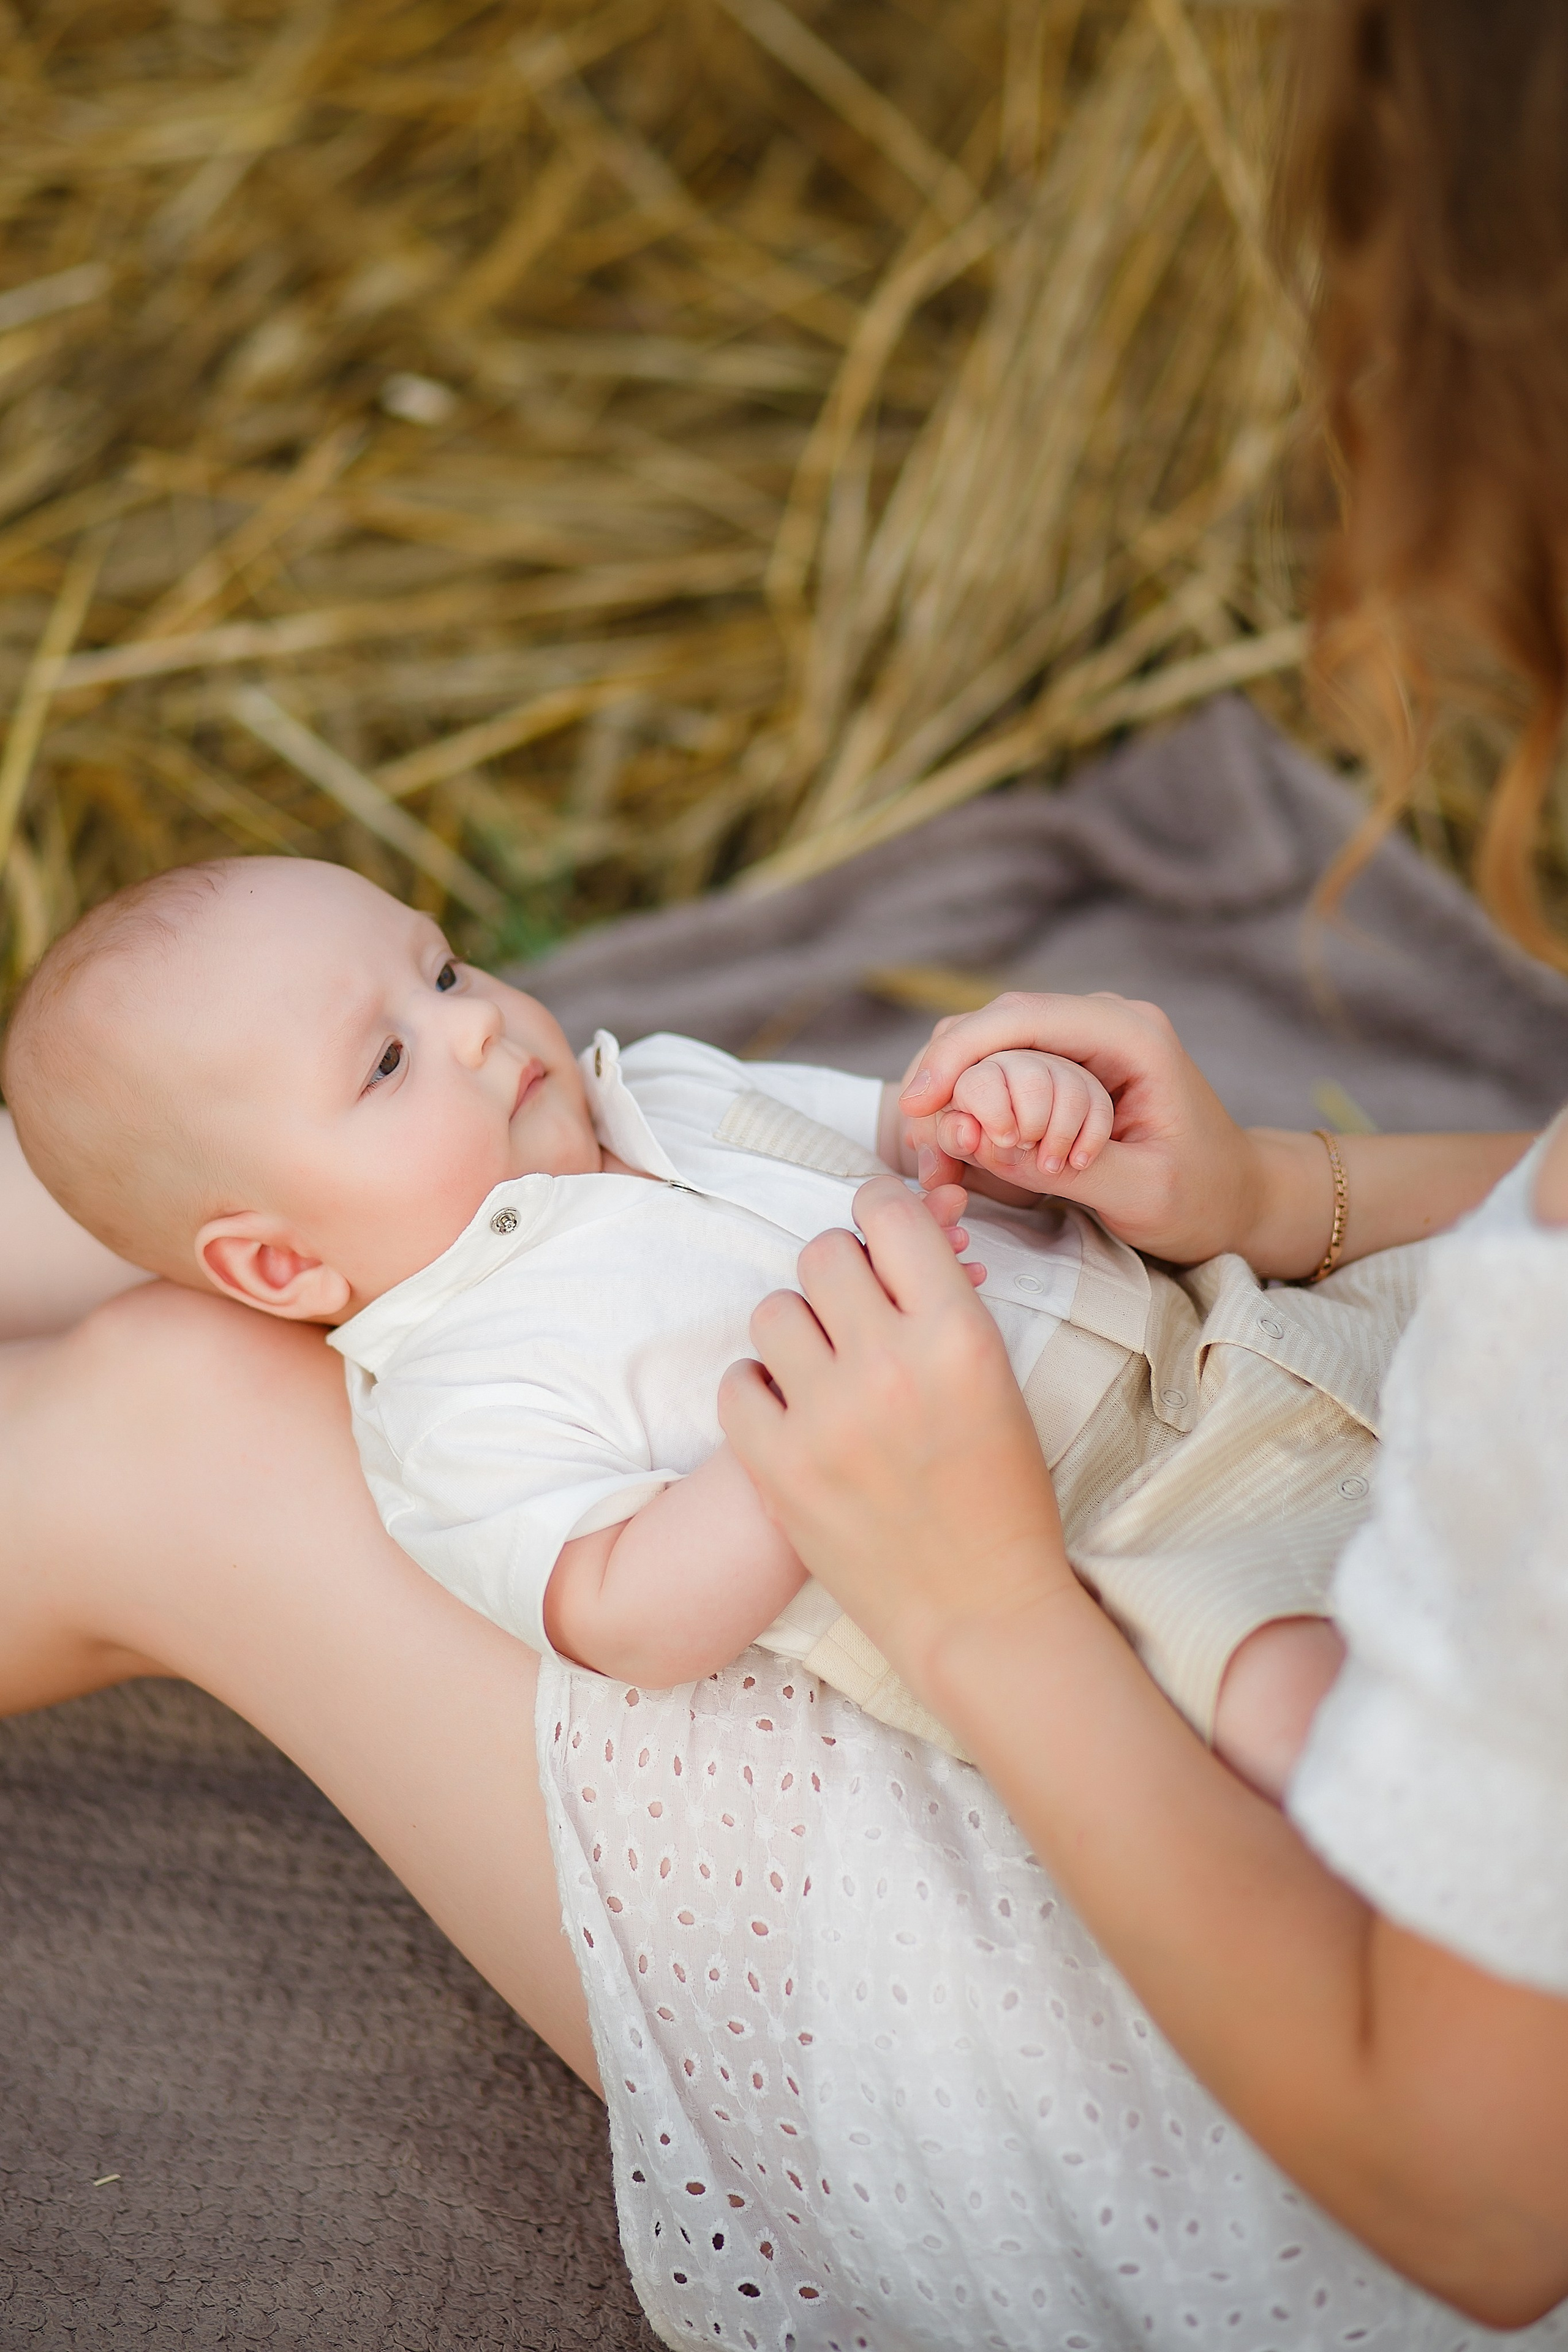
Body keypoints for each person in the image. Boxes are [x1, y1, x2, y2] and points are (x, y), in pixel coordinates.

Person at [2, 1, 1567, 2343]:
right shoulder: (482, 1377)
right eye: (409, 1037)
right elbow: (631, 1549)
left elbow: (1487, 2199)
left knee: (165, 1400)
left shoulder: (600, 1139)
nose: (497, 1021)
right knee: (173, 1215)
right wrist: (1279, 1202)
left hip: (1244, 1886)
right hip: (1151, 1473)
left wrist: (971, 1591)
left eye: (454, 973)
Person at [2, 853, 1360, 1781]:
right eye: (387, 1061)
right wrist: (794, 1453)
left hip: (1223, 1344)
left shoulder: (661, 1086)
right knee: (1309, 1715)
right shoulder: (457, 1400)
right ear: (280, 1266)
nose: (473, 1027)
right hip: (1106, 1557)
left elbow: (911, 1140)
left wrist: (1002, 1126)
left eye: (446, 971)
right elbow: (622, 1615)